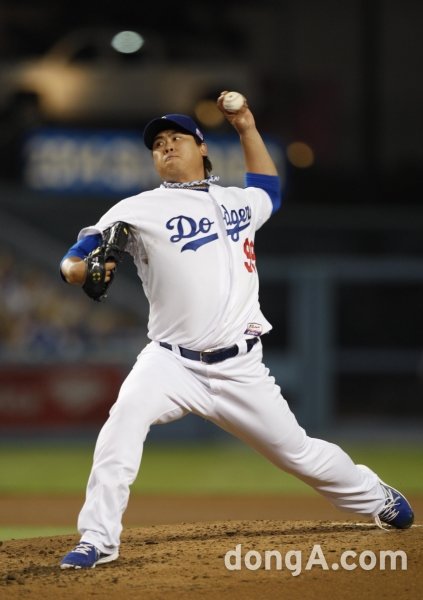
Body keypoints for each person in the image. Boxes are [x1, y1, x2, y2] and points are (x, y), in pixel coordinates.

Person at [59, 91, 414, 569]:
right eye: (158, 144)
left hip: (241, 367)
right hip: (170, 362)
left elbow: (268, 189)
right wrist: (77, 270)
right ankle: (98, 539)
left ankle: (375, 496)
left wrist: (246, 126)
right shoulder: (138, 209)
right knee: (122, 423)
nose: (166, 146)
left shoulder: (236, 201)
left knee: (299, 454)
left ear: (202, 147)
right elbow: (77, 256)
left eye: (176, 138)